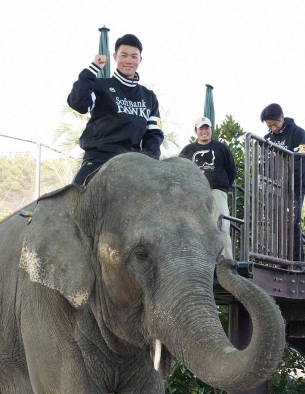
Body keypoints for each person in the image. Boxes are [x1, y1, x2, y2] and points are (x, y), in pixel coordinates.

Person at [67, 33, 164, 185]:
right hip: (98, 160)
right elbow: (78, 103)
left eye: (134, 56)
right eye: (123, 55)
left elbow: (154, 134)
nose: (128, 61)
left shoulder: (149, 97)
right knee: (74, 200)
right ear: (115, 56)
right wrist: (93, 69)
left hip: (132, 164)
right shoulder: (100, 86)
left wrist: (149, 164)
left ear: (140, 59)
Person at [179, 117, 237, 259]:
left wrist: (223, 187)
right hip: (194, 194)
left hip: (217, 192)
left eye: (207, 128)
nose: (204, 131)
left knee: (222, 226)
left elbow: (232, 170)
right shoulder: (188, 150)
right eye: (201, 128)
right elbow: (179, 171)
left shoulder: (221, 148)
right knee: (193, 229)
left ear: (211, 129)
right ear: (195, 131)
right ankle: (197, 262)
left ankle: (226, 264)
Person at [261, 103, 305, 267]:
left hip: (295, 187)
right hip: (274, 188)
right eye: (269, 126)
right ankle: (280, 260)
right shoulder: (268, 138)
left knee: (291, 223)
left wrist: (289, 182)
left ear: (282, 117)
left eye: (275, 124)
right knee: (276, 223)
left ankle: (297, 261)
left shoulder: (299, 133)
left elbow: (301, 161)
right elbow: (264, 163)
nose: (273, 129)